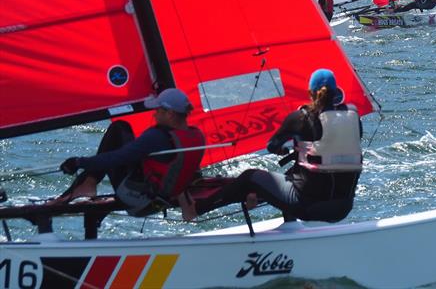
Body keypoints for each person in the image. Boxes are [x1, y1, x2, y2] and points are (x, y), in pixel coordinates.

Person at [180, 68, 362, 224]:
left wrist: (285, 149)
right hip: (343, 207)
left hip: (308, 207)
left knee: (250, 176)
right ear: (336, 92)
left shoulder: (301, 118)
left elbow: (272, 146)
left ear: (311, 93)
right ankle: (269, 208)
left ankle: (196, 209)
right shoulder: (353, 118)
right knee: (293, 176)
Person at [56, 88, 205, 216]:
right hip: (162, 201)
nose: (154, 115)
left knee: (118, 129)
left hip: (138, 201)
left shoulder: (157, 136)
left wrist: (78, 162)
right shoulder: (196, 136)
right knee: (123, 134)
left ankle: (87, 184)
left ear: (170, 114)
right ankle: (88, 183)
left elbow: (117, 158)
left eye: (158, 110)